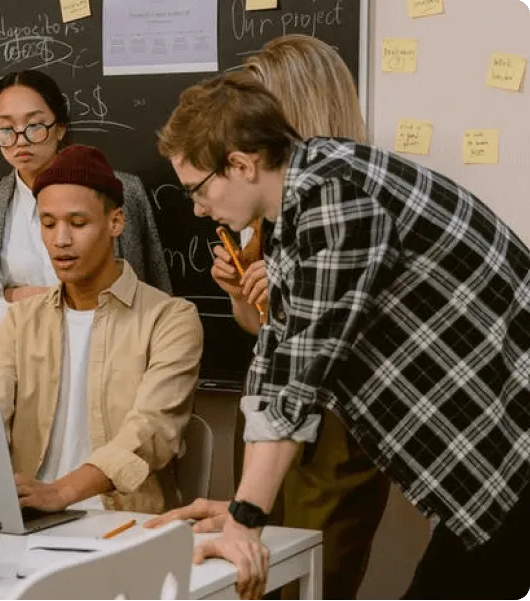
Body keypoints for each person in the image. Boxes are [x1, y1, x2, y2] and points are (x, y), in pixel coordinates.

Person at [150, 70, 530, 600]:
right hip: (500, 457)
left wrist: (244, 521)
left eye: (198, 189)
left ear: (241, 165)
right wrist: (242, 510)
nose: (197, 208)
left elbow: (302, 378)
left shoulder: (335, 195)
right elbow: (276, 362)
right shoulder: (299, 206)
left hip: (515, 449)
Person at [186, 35, 390, 601]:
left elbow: (336, 341)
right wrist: (242, 294)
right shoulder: (263, 200)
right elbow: (267, 333)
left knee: (317, 579)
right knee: (255, 573)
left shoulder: (345, 198)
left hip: (338, 420)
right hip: (271, 411)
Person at [0, 144, 203, 514]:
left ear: (116, 223)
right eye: (48, 224)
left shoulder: (170, 319)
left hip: (123, 522)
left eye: (78, 224)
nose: (60, 240)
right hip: (28, 514)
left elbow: (150, 431)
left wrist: (60, 493)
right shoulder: (21, 320)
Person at [0, 70, 172, 406]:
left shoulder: (121, 192)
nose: (20, 140)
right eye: (6, 129)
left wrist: (19, 295)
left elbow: (149, 289)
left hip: (106, 372)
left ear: (60, 127)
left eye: (34, 125)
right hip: (12, 380)